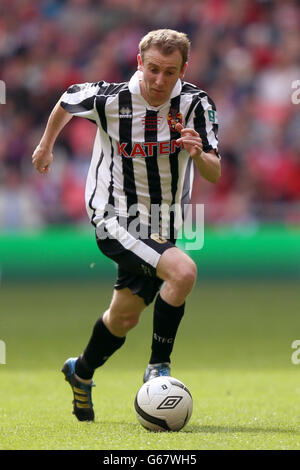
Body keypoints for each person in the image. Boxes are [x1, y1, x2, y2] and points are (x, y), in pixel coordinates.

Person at [32, 29, 221, 422]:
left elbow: (214, 172)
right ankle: (158, 369)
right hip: (113, 215)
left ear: (183, 70)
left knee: (124, 317)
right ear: (139, 63)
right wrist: (46, 145)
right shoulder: (112, 98)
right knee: (183, 272)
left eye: (169, 72)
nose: (158, 80)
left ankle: (80, 372)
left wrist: (198, 153)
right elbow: (67, 99)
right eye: (152, 69)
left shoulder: (196, 105)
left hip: (162, 224)